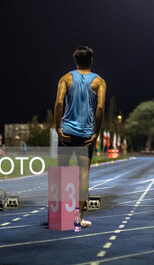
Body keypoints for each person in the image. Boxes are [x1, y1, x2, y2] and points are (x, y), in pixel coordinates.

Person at [55, 46, 106, 229]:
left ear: (75, 60)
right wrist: (96, 133)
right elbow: (100, 109)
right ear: (91, 60)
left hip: (66, 133)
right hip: (86, 136)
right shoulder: (99, 81)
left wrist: (57, 128)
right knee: (83, 176)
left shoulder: (66, 78)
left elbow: (59, 102)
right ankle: (78, 217)